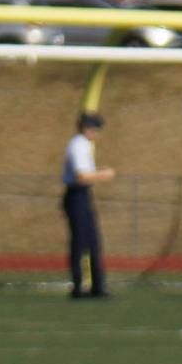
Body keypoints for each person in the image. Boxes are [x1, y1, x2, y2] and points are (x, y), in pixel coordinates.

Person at [60, 110, 113, 299]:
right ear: (87, 128)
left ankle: (98, 287)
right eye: (96, 129)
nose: (97, 133)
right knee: (80, 243)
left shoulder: (83, 145)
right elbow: (81, 176)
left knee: (93, 242)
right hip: (76, 196)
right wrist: (103, 175)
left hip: (82, 195)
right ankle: (78, 287)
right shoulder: (79, 145)